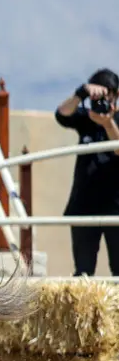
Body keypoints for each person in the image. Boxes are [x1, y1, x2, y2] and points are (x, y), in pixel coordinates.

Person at [54, 68, 119, 276]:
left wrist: (108, 123)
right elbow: (61, 115)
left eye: (107, 94)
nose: (102, 101)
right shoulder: (85, 119)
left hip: (115, 207)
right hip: (84, 205)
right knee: (82, 273)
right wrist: (80, 93)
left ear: (116, 95)